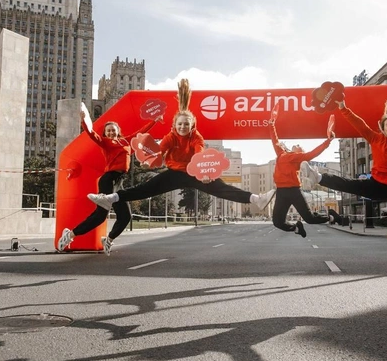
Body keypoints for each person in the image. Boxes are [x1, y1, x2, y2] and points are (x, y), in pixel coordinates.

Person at [88, 79, 275, 217]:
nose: (183, 127)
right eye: (180, 125)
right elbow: (160, 149)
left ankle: (257, 199)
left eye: (186, 125)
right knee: (144, 188)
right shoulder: (171, 136)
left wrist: (204, 172)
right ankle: (110, 198)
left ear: (191, 125)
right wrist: (149, 162)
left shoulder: (196, 137)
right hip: (174, 173)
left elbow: (199, 153)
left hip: (194, 173)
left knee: (221, 188)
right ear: (175, 125)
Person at [58, 110, 159, 255]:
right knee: (100, 216)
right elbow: (92, 134)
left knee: (125, 216)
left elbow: (140, 132)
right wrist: (83, 121)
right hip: (109, 180)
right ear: (106, 133)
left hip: (119, 181)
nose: (111, 132)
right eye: (108, 131)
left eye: (113, 130)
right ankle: (70, 235)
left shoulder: (126, 141)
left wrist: (154, 120)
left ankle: (109, 239)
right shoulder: (105, 142)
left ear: (118, 131)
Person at [268, 113, 333, 238]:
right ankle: (296, 228)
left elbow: (313, 153)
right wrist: (271, 124)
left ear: (300, 152)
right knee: (277, 222)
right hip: (281, 191)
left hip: (293, 191)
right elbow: (274, 139)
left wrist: (327, 142)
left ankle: (330, 216)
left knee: (309, 218)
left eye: (299, 146)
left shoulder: (298, 157)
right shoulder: (281, 153)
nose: (297, 144)